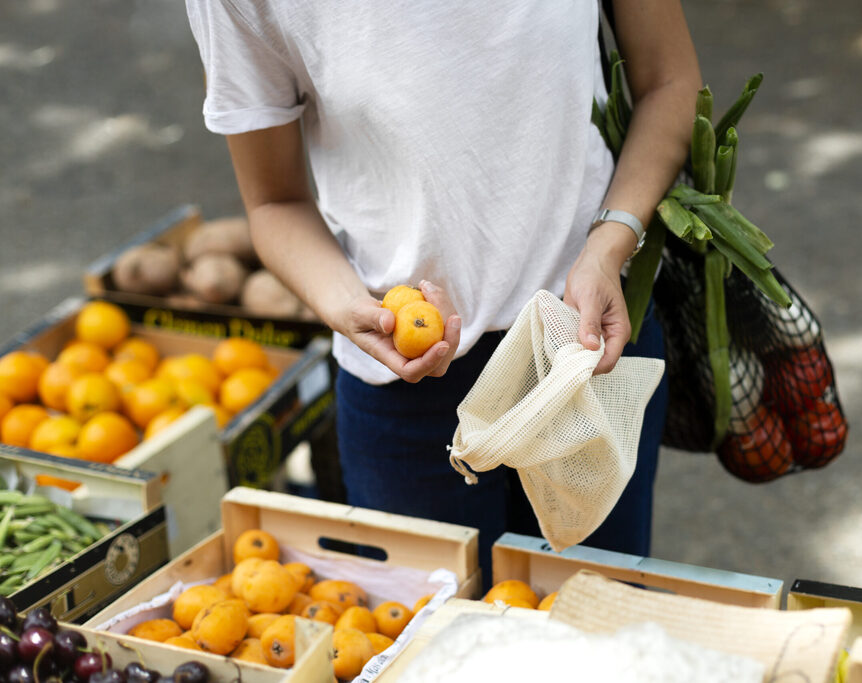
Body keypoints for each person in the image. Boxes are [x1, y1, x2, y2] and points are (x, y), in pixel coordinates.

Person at [184, 0, 701, 583]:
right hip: (405, 391)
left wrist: (611, 242)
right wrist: (349, 308)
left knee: (601, 634)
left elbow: (670, 82)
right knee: (430, 650)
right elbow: (274, 203)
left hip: (588, 346)